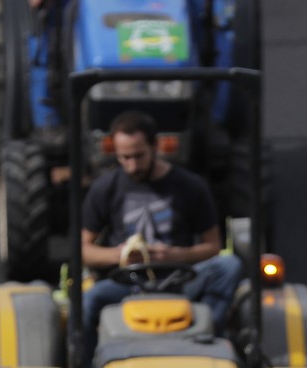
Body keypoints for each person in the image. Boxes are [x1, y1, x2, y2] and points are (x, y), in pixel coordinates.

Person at [80, 110, 244, 346]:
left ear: (155, 146)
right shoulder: (104, 188)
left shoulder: (190, 187)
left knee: (230, 266)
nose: (132, 165)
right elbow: (84, 249)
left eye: (139, 156)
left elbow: (213, 246)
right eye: (124, 158)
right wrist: (121, 254)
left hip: (180, 280)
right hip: (128, 284)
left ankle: (209, 335)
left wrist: (174, 255)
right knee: (92, 298)